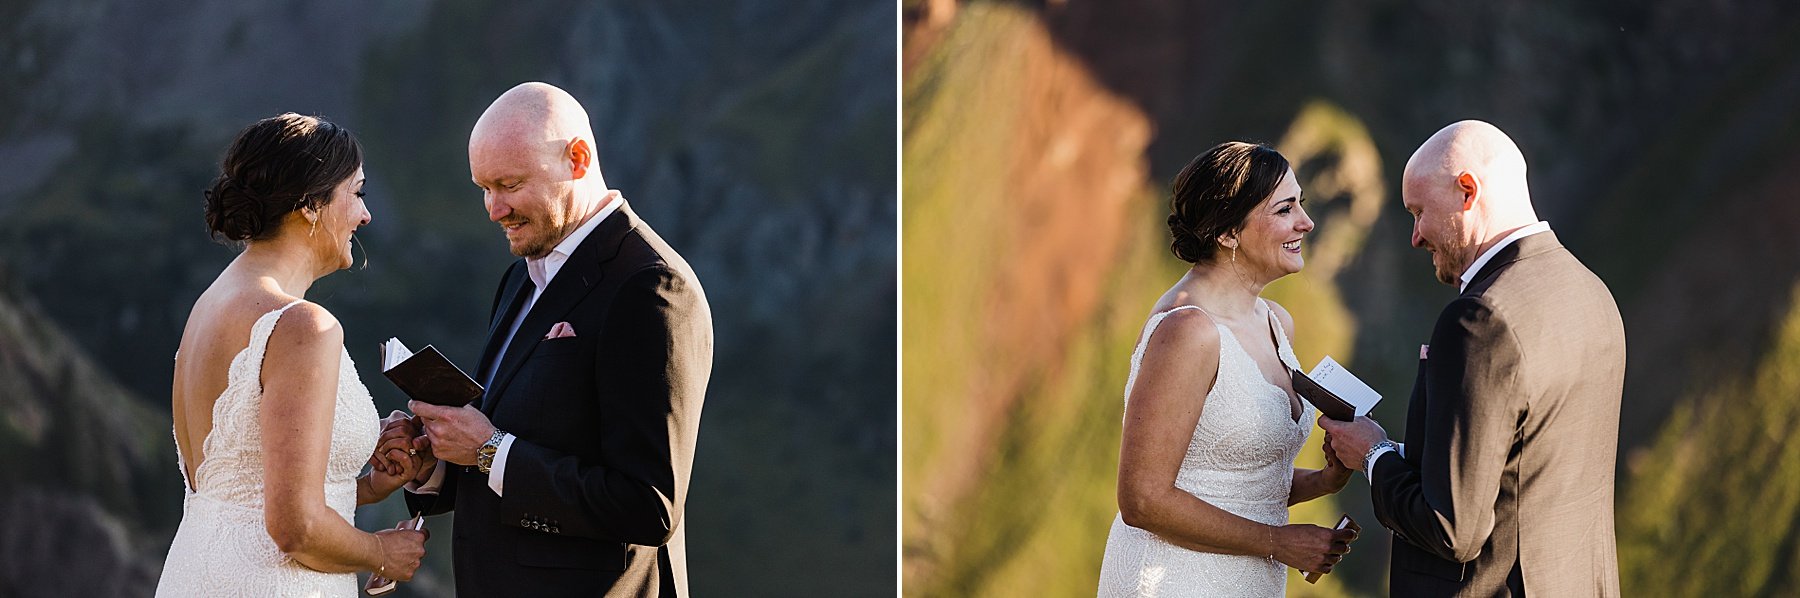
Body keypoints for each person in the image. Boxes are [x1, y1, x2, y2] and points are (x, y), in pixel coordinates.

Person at [392, 82, 713, 596]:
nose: (494, 209)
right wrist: (436, 458)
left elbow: (649, 505)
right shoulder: (522, 276)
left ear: (578, 159)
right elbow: (518, 438)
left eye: (509, 184)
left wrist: (490, 452)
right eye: (483, 188)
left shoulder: (651, 287)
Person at [1319, 120, 1626, 596]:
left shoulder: (1479, 319)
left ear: (1467, 190)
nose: (1416, 237)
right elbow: (1522, 466)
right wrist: (1405, 455)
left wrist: (1373, 455)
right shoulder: (1591, 292)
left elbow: (1452, 527)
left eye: (1419, 212)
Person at [157, 113, 430, 597]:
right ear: (309, 203)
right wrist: (383, 552)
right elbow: (294, 528)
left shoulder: (209, 306)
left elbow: (247, 488)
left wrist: (368, 487)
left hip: (194, 573)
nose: (365, 216)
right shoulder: (303, 325)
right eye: (357, 193)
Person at [1096, 141, 1358, 597]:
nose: (1306, 222)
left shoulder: (1277, 323)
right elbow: (1142, 499)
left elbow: (1233, 482)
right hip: (1171, 580)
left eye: (1302, 205)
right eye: (1285, 210)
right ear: (1228, 232)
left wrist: (1325, 480)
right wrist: (1279, 542)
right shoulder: (1187, 330)